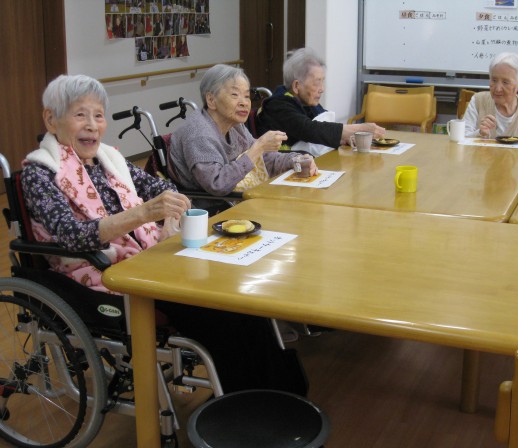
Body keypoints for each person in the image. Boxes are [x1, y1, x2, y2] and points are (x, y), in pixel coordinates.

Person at [20, 74, 308, 396]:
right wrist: (144, 214)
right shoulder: (40, 173)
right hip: (102, 272)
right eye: (80, 115)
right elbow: (72, 235)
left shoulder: (109, 159)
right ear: (51, 119)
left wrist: (169, 219)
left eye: (98, 115)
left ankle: (280, 396)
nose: (92, 125)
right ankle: (247, 402)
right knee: (219, 316)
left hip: (150, 256)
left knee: (239, 301)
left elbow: (162, 187)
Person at [168, 64, 317, 211]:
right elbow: (217, 184)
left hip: (238, 199)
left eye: (246, 96)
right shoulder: (198, 134)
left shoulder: (235, 126)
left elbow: (263, 159)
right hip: (212, 209)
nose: (244, 103)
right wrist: (258, 147)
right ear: (211, 100)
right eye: (235, 95)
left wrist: (295, 161)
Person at [255, 47, 385, 157]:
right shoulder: (278, 105)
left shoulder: (306, 103)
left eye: (323, 81)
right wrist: (359, 129)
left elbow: (325, 129)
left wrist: (346, 138)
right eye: (317, 82)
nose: (322, 89)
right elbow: (310, 129)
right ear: (296, 86)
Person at [463, 52, 518, 140]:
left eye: (505, 82)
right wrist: (480, 133)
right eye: (494, 80)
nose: (498, 89)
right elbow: (462, 139)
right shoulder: (478, 101)